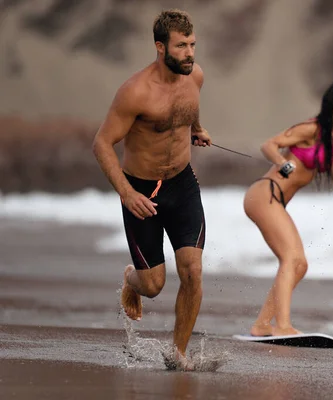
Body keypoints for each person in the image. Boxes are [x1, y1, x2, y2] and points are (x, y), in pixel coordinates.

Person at [91, 9, 212, 371]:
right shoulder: (135, 92)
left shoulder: (196, 76)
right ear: (161, 48)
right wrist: (127, 194)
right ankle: (132, 279)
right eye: (181, 46)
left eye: (192, 44)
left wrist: (196, 129)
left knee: (192, 270)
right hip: (142, 193)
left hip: (183, 184)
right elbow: (101, 143)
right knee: (154, 284)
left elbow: (187, 110)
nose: (190, 53)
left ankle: (178, 354)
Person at [243, 77, 333, 337]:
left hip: (274, 202)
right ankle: (283, 326)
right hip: (265, 194)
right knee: (291, 258)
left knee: (299, 265)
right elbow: (269, 145)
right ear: (329, 106)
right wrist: (280, 162)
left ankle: (263, 324)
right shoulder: (310, 129)